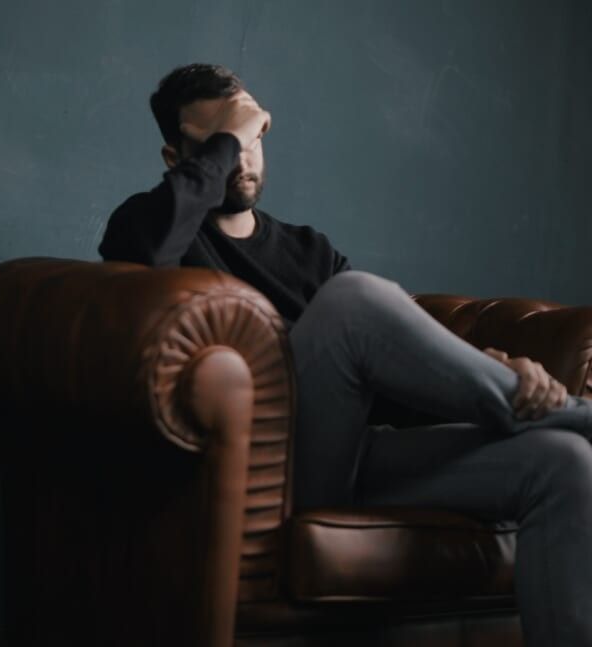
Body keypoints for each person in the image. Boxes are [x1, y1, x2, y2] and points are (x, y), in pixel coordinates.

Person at [99, 62, 592, 647]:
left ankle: (546, 415)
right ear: (176, 158)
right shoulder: (150, 227)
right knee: (353, 300)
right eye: (222, 141)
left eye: (254, 136)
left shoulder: (310, 250)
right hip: (272, 474)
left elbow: (386, 375)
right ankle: (566, 411)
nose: (244, 157)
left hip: (354, 458)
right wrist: (230, 138)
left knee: (564, 462)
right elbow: (139, 257)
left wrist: (492, 366)